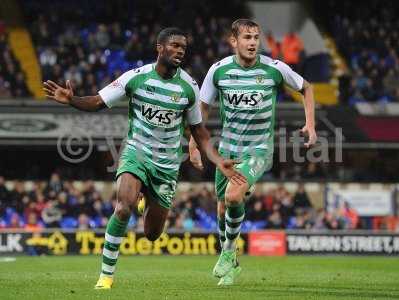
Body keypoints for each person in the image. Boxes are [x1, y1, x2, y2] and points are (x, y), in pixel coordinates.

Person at [43, 27, 242, 290]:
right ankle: (106, 276)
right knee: (123, 206)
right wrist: (72, 100)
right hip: (136, 153)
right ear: (159, 48)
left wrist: (217, 160)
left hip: (167, 165)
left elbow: (199, 131)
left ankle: (146, 198)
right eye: (174, 45)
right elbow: (98, 102)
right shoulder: (135, 78)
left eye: (183, 47)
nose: (180, 50)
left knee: (152, 234)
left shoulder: (189, 87)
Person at [189, 19, 317, 286]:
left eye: (256, 38)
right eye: (246, 37)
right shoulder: (218, 71)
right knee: (223, 208)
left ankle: (227, 252)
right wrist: (193, 144)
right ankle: (232, 263)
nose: (252, 43)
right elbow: (203, 108)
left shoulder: (273, 68)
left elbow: (307, 88)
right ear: (233, 41)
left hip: (258, 149)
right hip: (227, 151)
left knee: (234, 196)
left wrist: (310, 125)